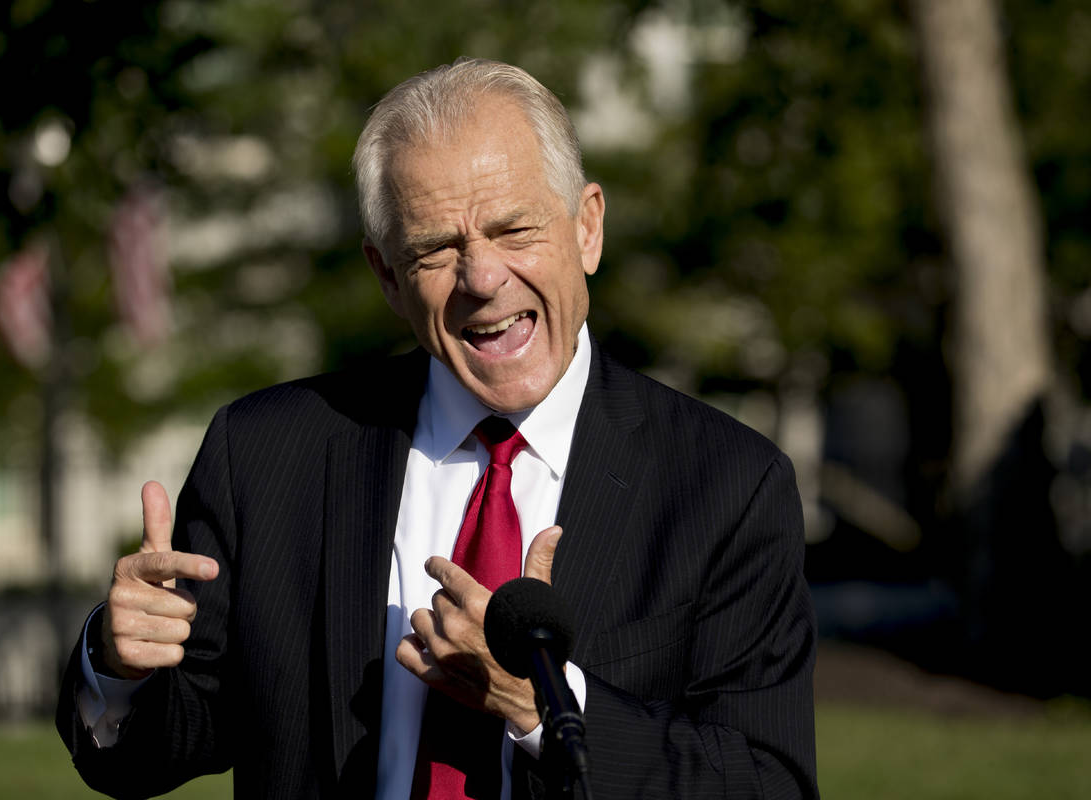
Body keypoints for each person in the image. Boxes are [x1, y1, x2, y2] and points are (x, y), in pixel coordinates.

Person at [56, 58, 818, 799]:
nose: (482, 279)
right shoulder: (263, 455)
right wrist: (119, 664)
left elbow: (765, 781)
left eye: (514, 230)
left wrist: (542, 707)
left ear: (587, 228)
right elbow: (157, 750)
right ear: (386, 274)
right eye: (435, 250)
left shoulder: (727, 484)